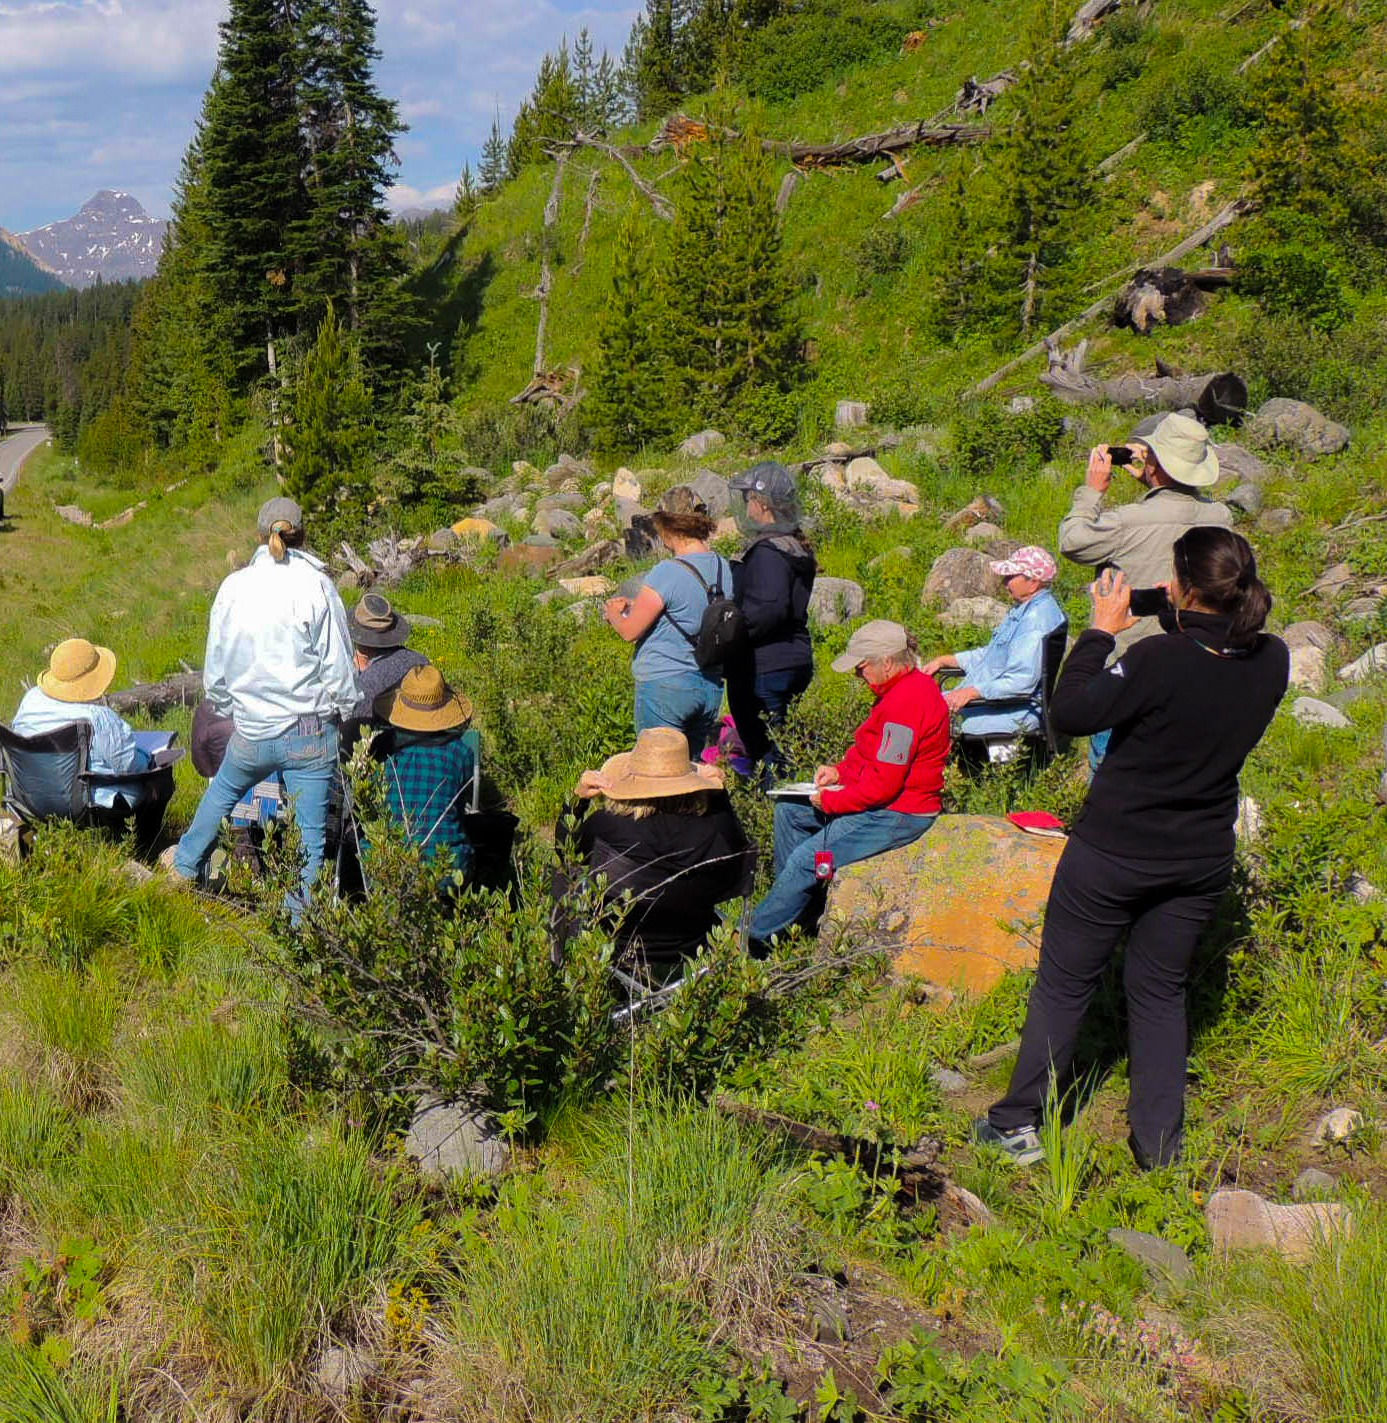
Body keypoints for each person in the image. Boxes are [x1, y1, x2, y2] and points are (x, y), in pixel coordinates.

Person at [975, 528, 1288, 1170]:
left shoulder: (1160, 661)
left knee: (1064, 985)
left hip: (1115, 851)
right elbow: (1208, 639)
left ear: (1186, 587)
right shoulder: (1272, 659)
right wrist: (1158, 603)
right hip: (1198, 857)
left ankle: (1016, 1122)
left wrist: (1100, 632)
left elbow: (1071, 711)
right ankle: (1157, 1150)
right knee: (1159, 992)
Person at [164, 498, 359, 903]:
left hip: (251, 728)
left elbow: (216, 674)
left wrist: (230, 704)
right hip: (308, 730)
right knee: (311, 835)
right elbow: (338, 668)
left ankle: (184, 865)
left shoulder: (234, 587)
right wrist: (346, 707)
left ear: (260, 535)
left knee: (221, 792)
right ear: (302, 535)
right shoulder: (318, 585)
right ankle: (300, 917)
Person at [749, 620, 950, 946]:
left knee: (805, 860)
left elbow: (884, 785)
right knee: (788, 811)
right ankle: (801, 914)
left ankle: (755, 940)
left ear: (886, 662)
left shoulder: (907, 702)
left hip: (899, 813)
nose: (858, 675)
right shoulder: (898, 690)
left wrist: (831, 802)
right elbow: (873, 753)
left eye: (862, 667)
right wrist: (840, 772)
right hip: (887, 802)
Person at [1058, 412, 1231, 764]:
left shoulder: (1127, 520)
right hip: (1201, 661)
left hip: (1130, 662)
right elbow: (1178, 511)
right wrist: (1156, 482)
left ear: (1155, 462)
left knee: (1114, 768)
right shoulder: (1221, 518)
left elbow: (1073, 542)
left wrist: (1092, 492)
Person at [555, 727, 752, 979]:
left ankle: (558, 963)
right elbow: (739, 849)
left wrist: (577, 800)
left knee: (564, 874)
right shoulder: (715, 828)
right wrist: (719, 794)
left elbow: (565, 851)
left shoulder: (605, 826)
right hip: (693, 943)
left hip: (619, 941)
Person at [603, 486, 734, 758]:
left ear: (668, 527)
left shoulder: (667, 571)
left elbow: (630, 631)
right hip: (709, 687)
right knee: (693, 771)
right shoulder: (723, 567)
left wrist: (614, 613)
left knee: (658, 773)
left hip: (665, 685)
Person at [12, 637, 173, 838]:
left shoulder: (31, 700)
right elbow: (129, 765)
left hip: (32, 796)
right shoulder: (97, 717)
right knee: (161, 779)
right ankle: (146, 848)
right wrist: (150, 758)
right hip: (85, 802)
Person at [923, 545, 1066, 742]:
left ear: (1033, 582)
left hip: (1014, 710)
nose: (1005, 583)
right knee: (919, 704)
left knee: (920, 715)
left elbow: (1021, 681)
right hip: (998, 703)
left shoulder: (1035, 621)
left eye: (1010, 577)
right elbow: (994, 655)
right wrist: (946, 661)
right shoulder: (1026, 609)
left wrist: (972, 692)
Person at [726, 461, 817, 771]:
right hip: (791, 657)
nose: (745, 507)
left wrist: (732, 636)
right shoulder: (793, 545)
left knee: (769, 754)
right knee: (783, 744)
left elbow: (769, 608)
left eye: (748, 499)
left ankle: (776, 812)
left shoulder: (769, 552)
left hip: (765, 665)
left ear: (761, 503)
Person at [379, 665, 476, 877]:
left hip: (385, 867)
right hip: (446, 869)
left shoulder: (383, 750)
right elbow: (462, 805)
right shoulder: (461, 752)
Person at [342, 593, 428, 752]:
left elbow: (351, 736)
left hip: (386, 757)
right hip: (430, 744)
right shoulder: (422, 662)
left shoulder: (366, 686)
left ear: (363, 648)